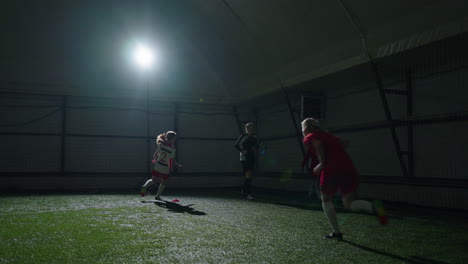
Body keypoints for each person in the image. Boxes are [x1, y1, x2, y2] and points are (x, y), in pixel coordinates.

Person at [301, 118, 387, 240]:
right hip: (348, 168)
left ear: (307, 128)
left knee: (325, 198)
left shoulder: (311, 136)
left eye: (303, 128)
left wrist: (322, 163)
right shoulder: (328, 136)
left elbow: (318, 144)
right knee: (349, 204)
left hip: (332, 169)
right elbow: (344, 143)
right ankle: (374, 207)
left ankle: (336, 232)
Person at [140, 131, 182, 200]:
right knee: (163, 182)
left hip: (158, 165)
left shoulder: (161, 144)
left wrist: (154, 159)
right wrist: (177, 165)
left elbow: (156, 154)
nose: (175, 140)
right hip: (165, 167)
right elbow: (172, 160)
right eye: (174, 138)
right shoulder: (172, 149)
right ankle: (157, 196)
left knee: (153, 180)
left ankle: (144, 186)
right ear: (172, 139)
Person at [234, 123, 258, 200]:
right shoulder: (243, 136)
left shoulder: (255, 137)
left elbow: (256, 145)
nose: (250, 129)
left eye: (251, 128)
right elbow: (236, 145)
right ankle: (248, 193)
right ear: (246, 129)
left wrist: (255, 148)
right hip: (244, 158)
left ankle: (244, 191)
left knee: (249, 176)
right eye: (249, 128)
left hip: (252, 157)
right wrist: (242, 151)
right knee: (248, 175)